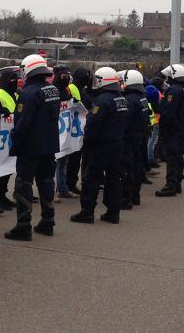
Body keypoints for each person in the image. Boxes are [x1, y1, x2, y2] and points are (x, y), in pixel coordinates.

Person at [5, 54, 61, 241]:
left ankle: (23, 225)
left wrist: (15, 146)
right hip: (49, 144)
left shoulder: (27, 93)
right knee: (46, 181)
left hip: (30, 147)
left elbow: (22, 124)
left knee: (23, 184)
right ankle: (48, 221)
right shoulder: (52, 90)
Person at [70, 67, 128, 224]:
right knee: (114, 178)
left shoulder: (102, 100)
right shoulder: (121, 98)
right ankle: (113, 212)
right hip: (117, 143)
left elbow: (93, 124)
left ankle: (87, 212)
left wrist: (87, 142)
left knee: (91, 178)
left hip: (100, 145)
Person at [155, 64, 184, 197]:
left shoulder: (174, 90)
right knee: (178, 156)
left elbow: (168, 111)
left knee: (171, 156)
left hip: (172, 128)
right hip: (180, 127)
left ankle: (170, 185)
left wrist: (164, 124)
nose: (167, 78)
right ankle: (177, 182)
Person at [0, 69, 19, 212]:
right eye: (12, 80)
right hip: (1, 141)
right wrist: (2, 112)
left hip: (12, 140)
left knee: (8, 169)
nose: (14, 82)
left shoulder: (16, 94)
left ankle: (3, 196)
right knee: (0, 168)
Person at [118, 70, 149, 207]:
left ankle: (126, 198)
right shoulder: (141, 97)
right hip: (138, 135)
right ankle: (135, 195)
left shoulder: (129, 99)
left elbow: (125, 120)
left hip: (128, 137)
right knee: (137, 165)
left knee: (127, 167)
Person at [52, 65, 79, 201]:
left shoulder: (67, 90)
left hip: (65, 131)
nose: (65, 79)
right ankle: (51, 191)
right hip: (55, 131)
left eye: (67, 76)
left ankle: (62, 188)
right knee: (53, 162)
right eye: (63, 76)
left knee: (63, 160)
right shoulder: (53, 91)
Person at [64, 67, 91, 196]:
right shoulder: (71, 88)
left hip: (78, 129)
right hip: (71, 129)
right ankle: (67, 185)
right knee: (71, 159)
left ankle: (71, 183)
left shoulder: (81, 89)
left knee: (76, 159)